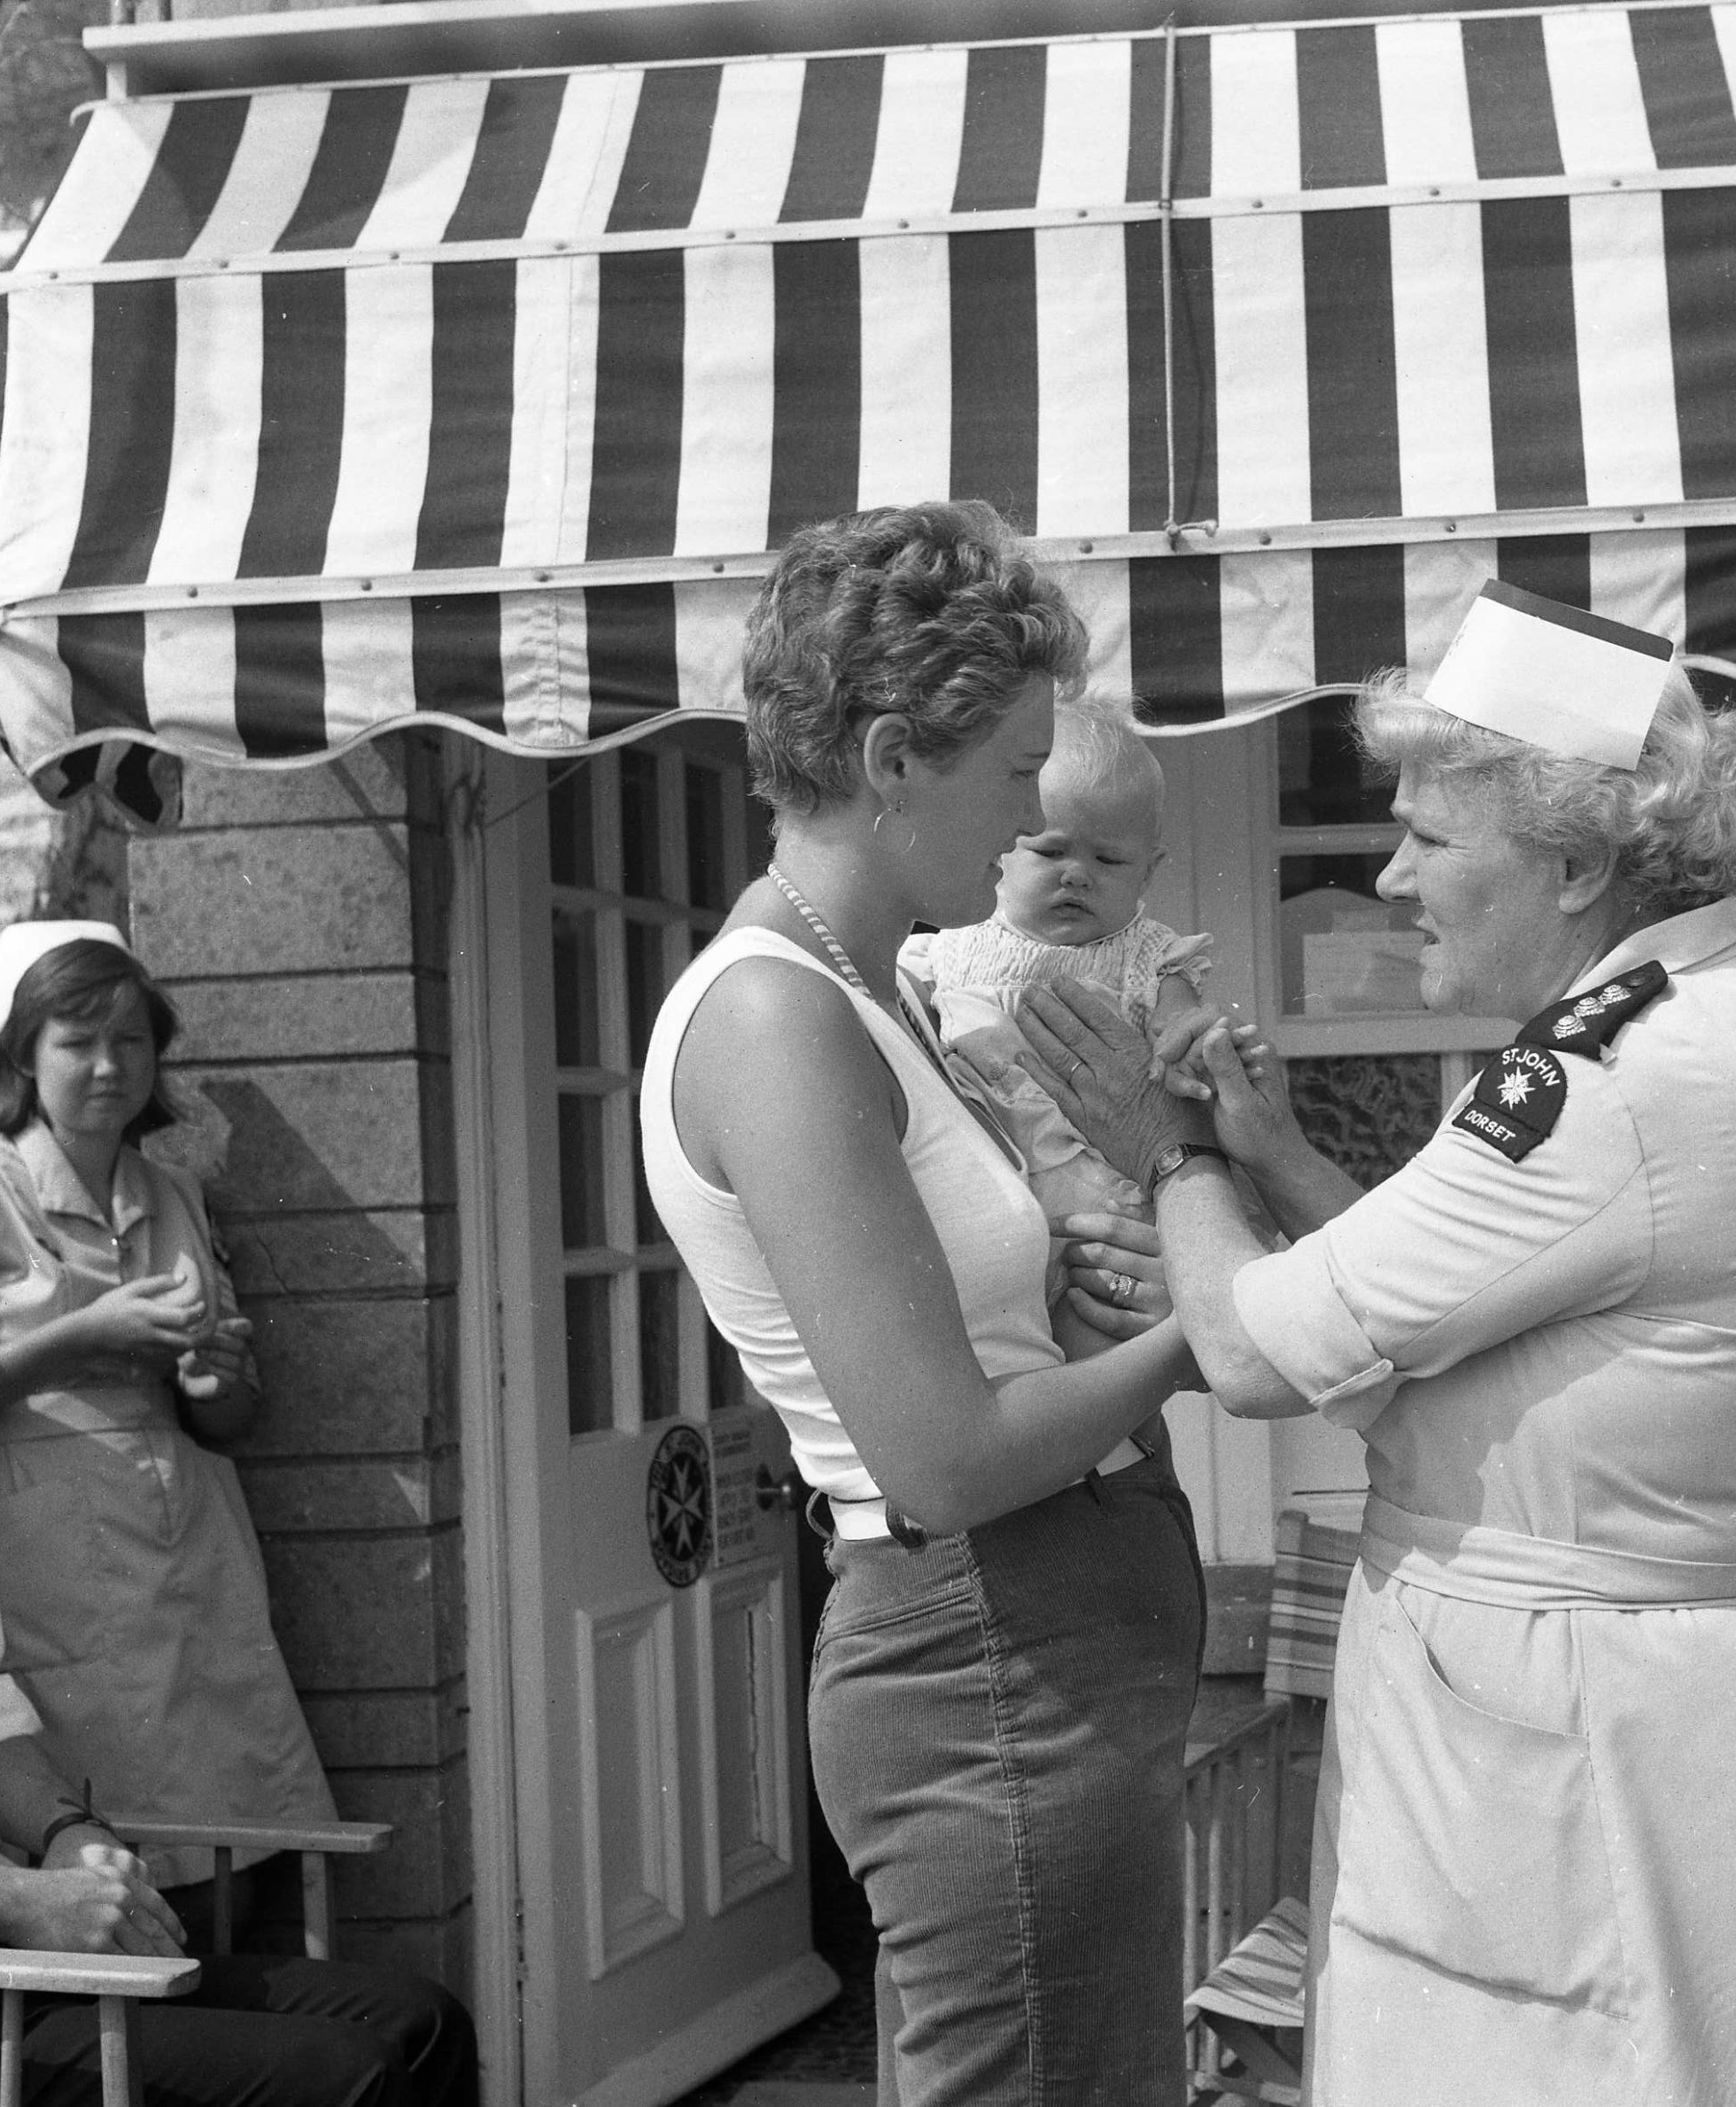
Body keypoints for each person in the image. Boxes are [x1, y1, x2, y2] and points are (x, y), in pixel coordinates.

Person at [1018, 580, 1736, 2105]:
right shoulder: (1711, 1023)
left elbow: (1250, 1354)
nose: (1387, 875)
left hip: (1598, 1770)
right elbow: (1470, 1288)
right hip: (1688, 1723)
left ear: (1572, 862)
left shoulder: (1605, 1086)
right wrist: (1277, 1152)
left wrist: (1169, 1155)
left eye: (1432, 838)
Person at [639, 500, 1206, 2107]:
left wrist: (1088, 1300)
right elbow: (941, 1458)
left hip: (1040, 1635)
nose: (1038, 808)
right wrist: (1211, 1332)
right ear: (893, 756)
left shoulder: (879, 989)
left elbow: (979, 1350)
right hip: (989, 1649)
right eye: (1018, 767)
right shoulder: (774, 1019)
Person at [0, 922, 337, 1912]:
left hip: (191, 1556)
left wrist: (218, 1383)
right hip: (48, 1566)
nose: (108, 1065)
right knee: (102, 1835)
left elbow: (230, 1418)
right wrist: (80, 1339)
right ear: (23, 1054)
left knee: (227, 1835)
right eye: (76, 1040)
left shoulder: (172, 1193)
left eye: (131, 1040)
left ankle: (236, 2038)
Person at [0, 1469, 476, 2106]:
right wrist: (18, 1901)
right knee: (349, 2074)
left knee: (424, 2023)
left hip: (0, 1962)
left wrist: (70, 1831)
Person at [901, 693, 1213, 1304]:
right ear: (1003, 845)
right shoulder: (949, 949)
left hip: (1104, 1206)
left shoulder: (1151, 954)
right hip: (983, 1196)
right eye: (1050, 850)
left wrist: (1187, 1047)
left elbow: (1183, 1028)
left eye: (1109, 858)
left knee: (1095, 1336)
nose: (1077, 873)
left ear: (1149, 872)